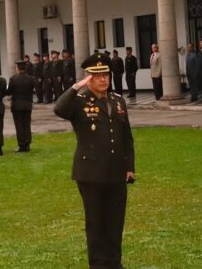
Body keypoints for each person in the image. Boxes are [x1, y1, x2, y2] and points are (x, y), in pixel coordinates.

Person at [54, 53, 135, 269]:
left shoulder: (118, 101)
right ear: (88, 78)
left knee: (115, 222)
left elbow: (127, 137)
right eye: (97, 76)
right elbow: (59, 109)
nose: (103, 79)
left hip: (116, 171)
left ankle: (115, 263)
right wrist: (76, 87)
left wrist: (129, 167)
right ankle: (99, 264)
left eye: (106, 75)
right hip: (90, 173)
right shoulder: (79, 102)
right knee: (96, 223)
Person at [6, 60, 35, 152]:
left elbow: (9, 91)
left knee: (19, 125)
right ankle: (27, 144)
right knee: (27, 124)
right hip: (27, 104)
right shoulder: (31, 78)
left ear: (17, 68)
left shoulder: (13, 79)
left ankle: (21, 145)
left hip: (17, 105)